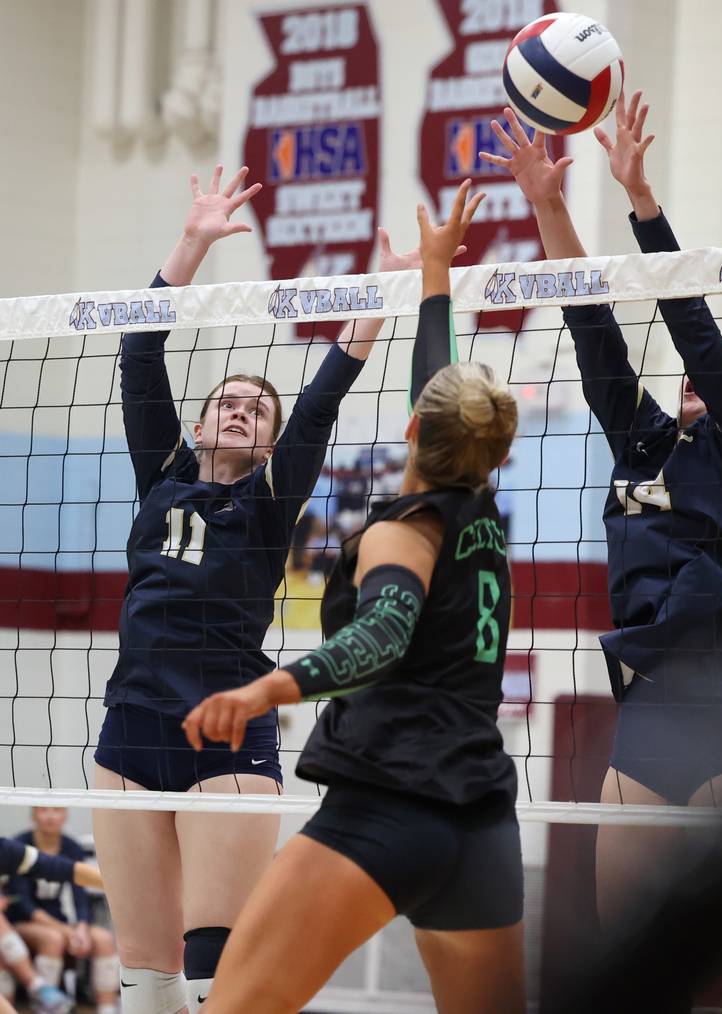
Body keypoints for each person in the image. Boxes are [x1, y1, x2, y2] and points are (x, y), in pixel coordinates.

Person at [91, 164, 443, 1014]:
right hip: (128, 733)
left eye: (259, 407)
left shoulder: (272, 495)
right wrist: (193, 243)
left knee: (219, 980)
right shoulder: (163, 476)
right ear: (201, 423)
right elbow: (142, 347)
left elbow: (322, 400)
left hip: (226, 730)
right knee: (145, 978)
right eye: (229, 402)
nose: (243, 409)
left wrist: (381, 301)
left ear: (269, 438)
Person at [181, 179, 525, 1014]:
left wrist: (270, 685)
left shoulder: (401, 531)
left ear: (413, 432)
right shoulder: (481, 512)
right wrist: (434, 275)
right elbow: (443, 393)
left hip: (387, 806)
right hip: (481, 824)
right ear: (493, 452)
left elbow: (384, 634)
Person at [481, 95, 722, 1013]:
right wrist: (548, 204)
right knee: (640, 976)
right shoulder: (645, 443)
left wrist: (643, 199)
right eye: (709, 366)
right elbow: (592, 330)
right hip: (645, 718)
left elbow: (693, 322)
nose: (710, 368)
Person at [7, 808, 115, 1014]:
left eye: (57, 811)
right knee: (53, 938)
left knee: (103, 939)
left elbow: (80, 895)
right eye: (43, 811)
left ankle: (107, 1008)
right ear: (33, 815)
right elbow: (23, 905)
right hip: (25, 922)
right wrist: (67, 931)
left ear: (65, 815)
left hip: (63, 922)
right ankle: (48, 1006)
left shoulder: (71, 847)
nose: (50, 816)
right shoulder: (18, 846)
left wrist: (81, 928)